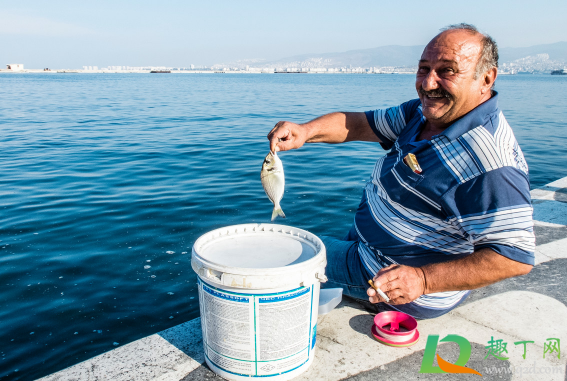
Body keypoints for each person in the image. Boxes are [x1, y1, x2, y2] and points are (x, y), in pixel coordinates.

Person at [267, 23, 534, 319]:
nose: (428, 84)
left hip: (387, 275)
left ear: (486, 78)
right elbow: (361, 124)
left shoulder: (489, 163)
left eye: (447, 70)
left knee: (279, 253)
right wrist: (305, 131)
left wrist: (422, 280)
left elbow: (514, 257)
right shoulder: (423, 113)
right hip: (370, 242)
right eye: (423, 69)